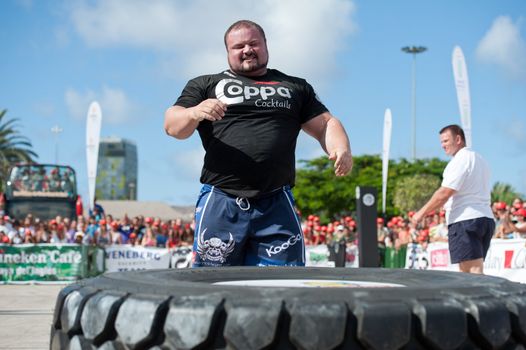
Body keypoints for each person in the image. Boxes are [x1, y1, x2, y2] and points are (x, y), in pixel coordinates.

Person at [164, 20, 352, 267]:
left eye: (253, 43)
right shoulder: (205, 84)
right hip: (221, 201)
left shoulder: (294, 86)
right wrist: (194, 113)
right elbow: (172, 125)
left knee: (287, 284)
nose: (247, 50)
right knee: (210, 284)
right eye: (238, 46)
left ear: (265, 45)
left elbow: (326, 123)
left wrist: (341, 148)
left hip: (276, 203)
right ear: (228, 52)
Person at [412, 124, 494, 274]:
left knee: (473, 271)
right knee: (467, 271)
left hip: (466, 219)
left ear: (458, 139)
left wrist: (420, 213)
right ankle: (470, 298)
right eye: (441, 142)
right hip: (484, 218)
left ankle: (479, 298)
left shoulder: (461, 159)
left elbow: (445, 192)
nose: (443, 145)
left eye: (445, 141)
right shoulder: (480, 159)